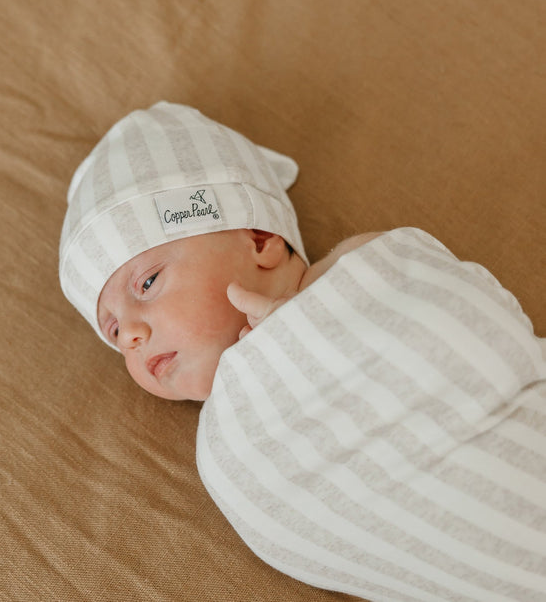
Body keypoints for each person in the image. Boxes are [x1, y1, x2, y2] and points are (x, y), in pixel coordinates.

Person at [59, 101, 546, 601]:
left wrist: (311, 328)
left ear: (260, 240)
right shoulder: (229, 447)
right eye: (113, 330)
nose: (130, 335)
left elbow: (476, 335)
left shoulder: (364, 268)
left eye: (147, 282)